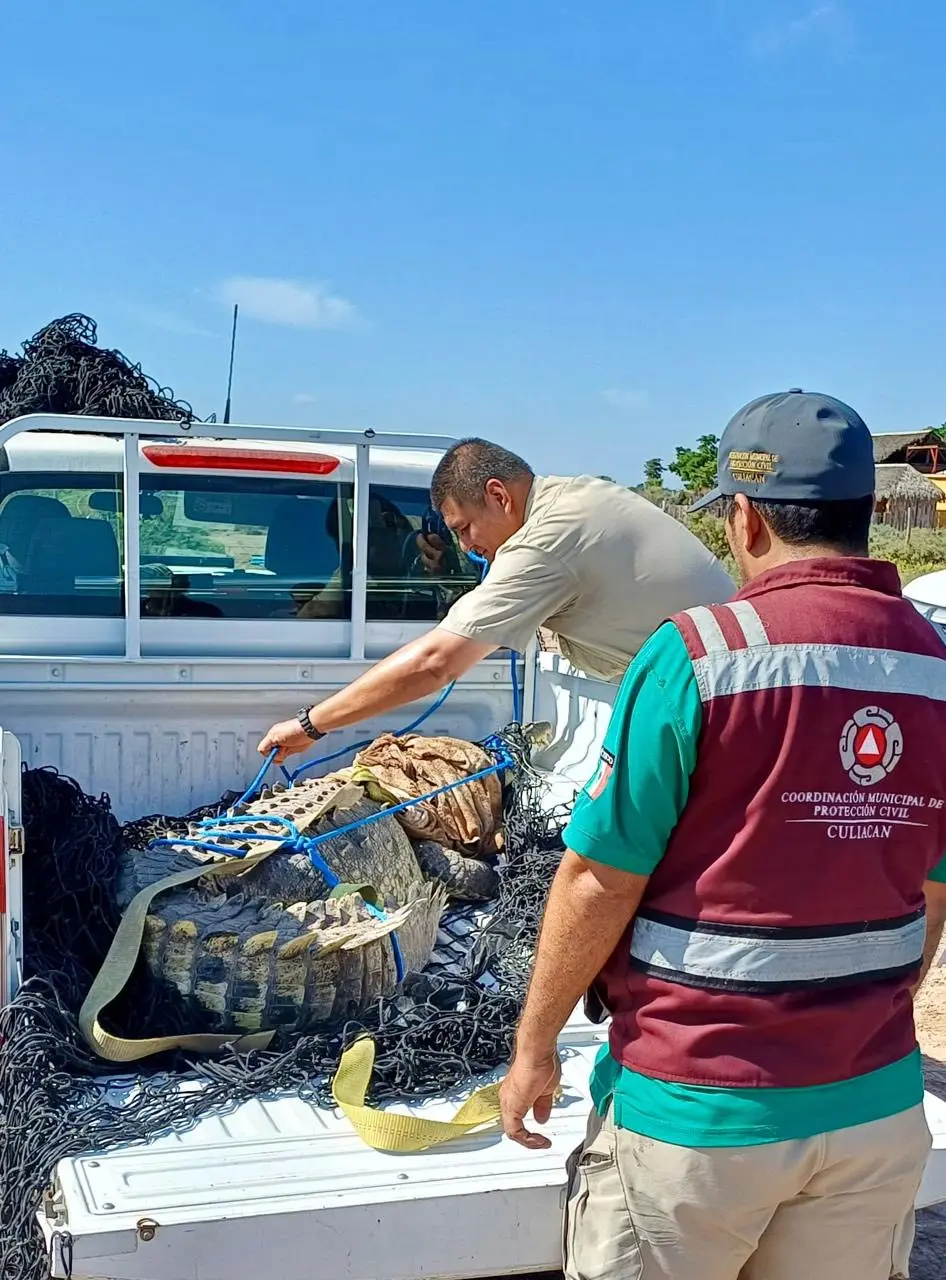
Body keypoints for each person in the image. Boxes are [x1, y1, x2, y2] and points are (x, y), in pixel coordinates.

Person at [497, 389, 946, 1280]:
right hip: (874, 1113)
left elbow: (599, 877)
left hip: (697, 1117)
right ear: (866, 516)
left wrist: (533, 1048)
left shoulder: (701, 655)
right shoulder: (936, 670)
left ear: (744, 520)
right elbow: (933, 887)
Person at [258, 438, 734, 761]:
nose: (465, 547)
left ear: (498, 495)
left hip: (718, 717)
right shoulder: (577, 497)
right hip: (714, 697)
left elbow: (436, 662)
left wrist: (311, 724)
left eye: (464, 528)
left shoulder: (548, 538)